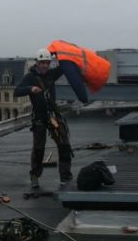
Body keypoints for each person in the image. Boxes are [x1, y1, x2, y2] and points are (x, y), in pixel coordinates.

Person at [14, 48, 87, 188]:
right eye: (43, 63)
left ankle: (65, 176)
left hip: (53, 115)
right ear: (37, 63)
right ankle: (35, 176)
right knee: (39, 149)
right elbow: (17, 91)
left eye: (47, 63)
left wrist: (67, 56)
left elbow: (64, 67)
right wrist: (31, 89)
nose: (45, 65)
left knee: (64, 144)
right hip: (39, 118)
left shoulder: (52, 74)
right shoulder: (30, 77)